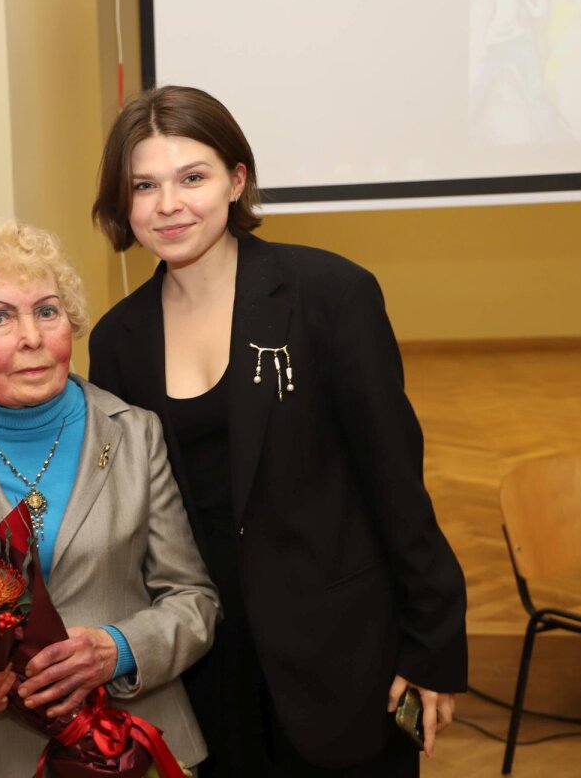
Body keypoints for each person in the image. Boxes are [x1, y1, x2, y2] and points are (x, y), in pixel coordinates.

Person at [88, 86, 468, 777]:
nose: (168, 204)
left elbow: (395, 484)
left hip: (343, 654)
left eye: (192, 177)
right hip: (206, 669)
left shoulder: (329, 295)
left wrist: (432, 646)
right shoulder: (118, 339)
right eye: (144, 185)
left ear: (236, 181)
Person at [0, 220, 219, 776]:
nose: (32, 337)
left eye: (47, 311)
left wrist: (119, 648)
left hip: (130, 745)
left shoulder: (135, 434)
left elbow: (194, 599)